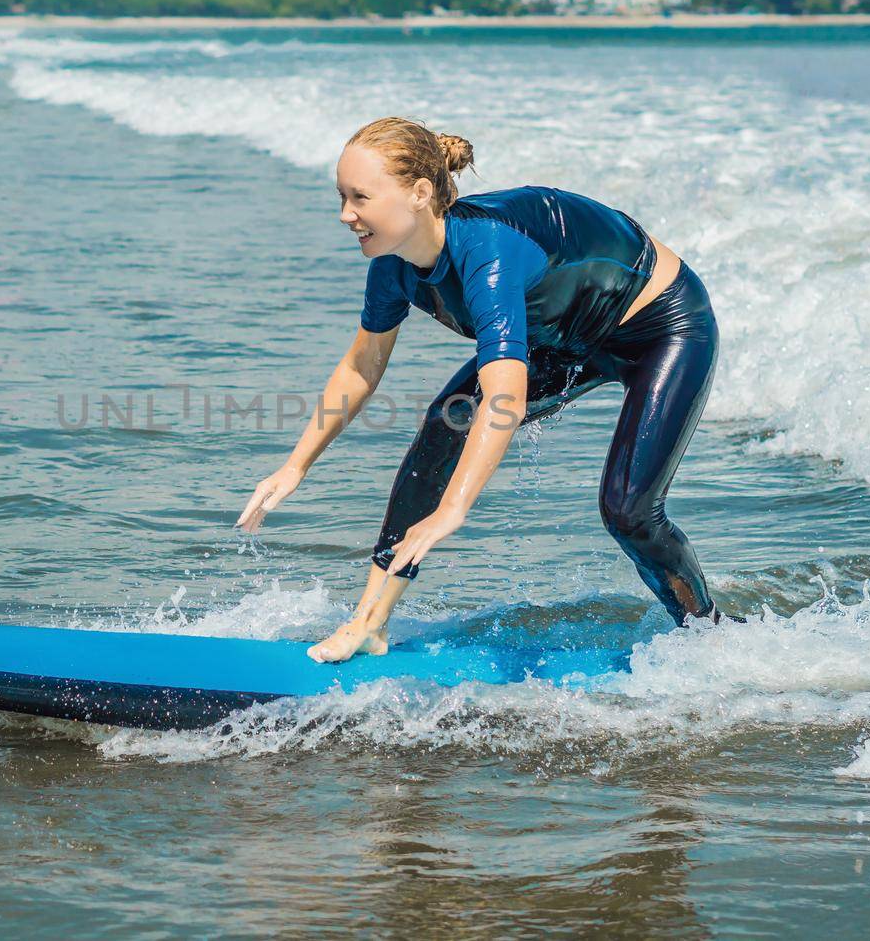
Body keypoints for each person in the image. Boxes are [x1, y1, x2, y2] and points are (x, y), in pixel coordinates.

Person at [236, 117, 734, 664]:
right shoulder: (393, 264)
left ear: (419, 194)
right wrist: (295, 466)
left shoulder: (488, 257)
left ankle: (710, 636)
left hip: (662, 328)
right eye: (341, 196)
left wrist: (453, 509)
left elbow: (504, 400)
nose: (345, 214)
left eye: (360, 197)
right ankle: (369, 623)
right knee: (443, 425)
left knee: (628, 510)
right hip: (563, 336)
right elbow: (361, 368)